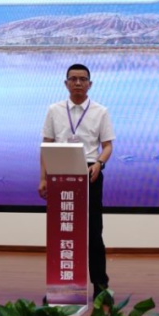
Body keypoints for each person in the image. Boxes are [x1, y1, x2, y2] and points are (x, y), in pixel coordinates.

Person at [39, 64, 115, 299]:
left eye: (83, 79)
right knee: (62, 231)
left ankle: (100, 286)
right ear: (66, 83)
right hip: (60, 175)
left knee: (94, 233)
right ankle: (60, 286)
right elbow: (47, 144)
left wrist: (99, 163)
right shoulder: (54, 110)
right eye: (73, 79)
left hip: (90, 174)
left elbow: (108, 146)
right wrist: (43, 177)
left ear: (90, 84)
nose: (78, 83)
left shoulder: (100, 111)